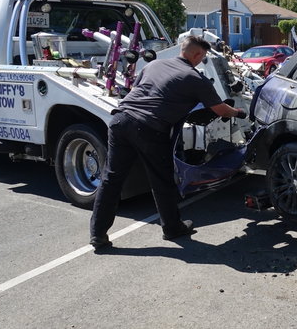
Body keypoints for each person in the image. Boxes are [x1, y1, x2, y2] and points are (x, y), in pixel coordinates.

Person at [90, 36, 246, 250]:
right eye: (202, 57)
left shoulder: (154, 64)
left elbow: (141, 90)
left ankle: (98, 235)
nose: (202, 61)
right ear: (197, 54)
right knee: (161, 180)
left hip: (120, 120)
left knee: (111, 179)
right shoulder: (193, 77)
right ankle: (172, 228)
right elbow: (218, 108)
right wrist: (238, 112)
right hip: (148, 127)